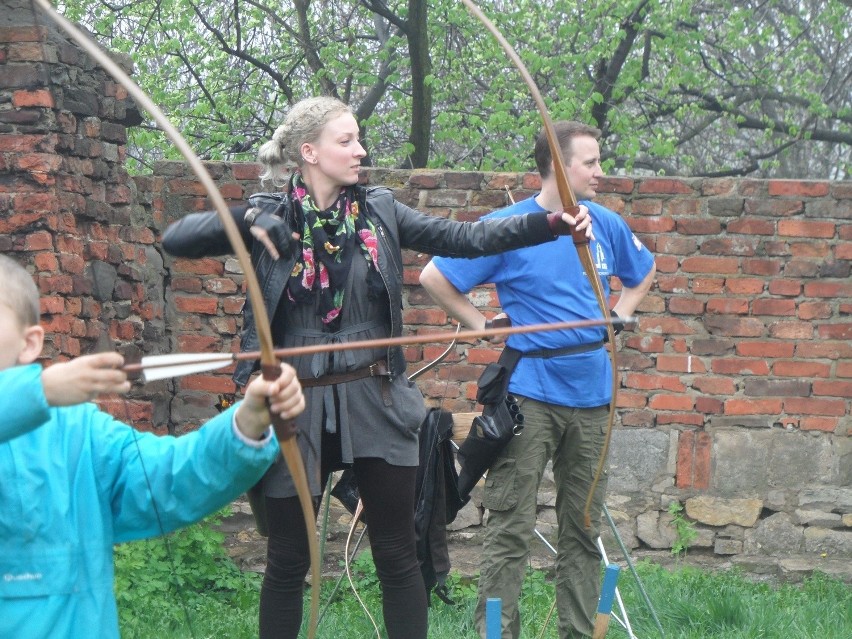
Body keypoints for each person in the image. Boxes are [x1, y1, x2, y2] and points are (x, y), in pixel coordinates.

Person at [161, 96, 593, 639]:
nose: (361, 151)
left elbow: (465, 238)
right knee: (289, 561)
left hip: (376, 398)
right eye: (346, 141)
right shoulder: (270, 215)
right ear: (309, 152)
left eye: (359, 139)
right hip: (293, 405)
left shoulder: (381, 209)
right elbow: (175, 240)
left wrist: (550, 223)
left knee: (397, 553)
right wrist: (248, 219)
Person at [420, 121, 656, 638]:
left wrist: (621, 310)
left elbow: (643, 271)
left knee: (584, 529)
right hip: (530, 395)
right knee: (510, 527)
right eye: (589, 162)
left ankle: (580, 633)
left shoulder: (605, 223)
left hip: (594, 395)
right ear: (558, 167)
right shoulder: (512, 225)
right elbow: (434, 276)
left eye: (598, 161)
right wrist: (480, 324)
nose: (600, 171)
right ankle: (497, 634)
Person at [0, 254, 305, 639]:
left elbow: (166, 479)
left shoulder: (78, 432)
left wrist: (246, 424)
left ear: (29, 345)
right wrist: (38, 390)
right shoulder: (43, 399)